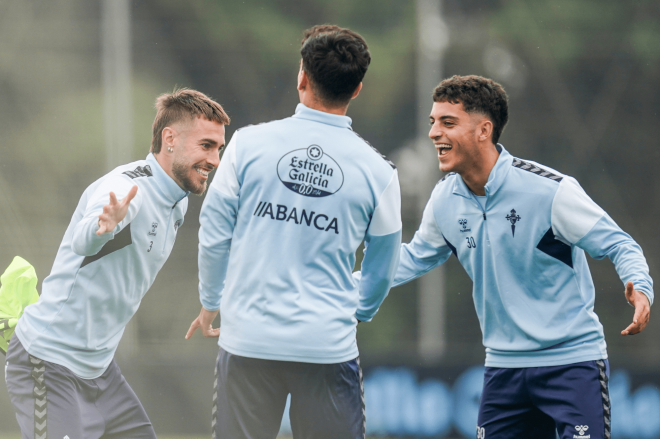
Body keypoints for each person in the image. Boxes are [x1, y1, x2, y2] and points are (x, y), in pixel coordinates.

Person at [392, 75, 653, 439]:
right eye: (433, 122)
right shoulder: (444, 200)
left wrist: (639, 286)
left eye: (448, 123)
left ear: (484, 130)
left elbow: (619, 244)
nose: (434, 133)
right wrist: (342, 289)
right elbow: (409, 259)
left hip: (572, 365)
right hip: (503, 371)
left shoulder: (550, 191)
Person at [185, 25, 401, 439]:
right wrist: (359, 310)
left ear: (301, 77)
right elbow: (383, 265)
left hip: (248, 341)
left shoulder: (248, 145)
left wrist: (211, 300)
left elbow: (214, 230)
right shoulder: (379, 173)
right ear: (357, 89)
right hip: (327, 347)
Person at [5, 88, 230, 438]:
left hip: (100, 372)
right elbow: (84, 238)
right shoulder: (128, 190)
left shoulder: (178, 201)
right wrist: (102, 227)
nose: (215, 160)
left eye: (219, 149)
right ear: (169, 139)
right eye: (206, 146)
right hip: (49, 363)